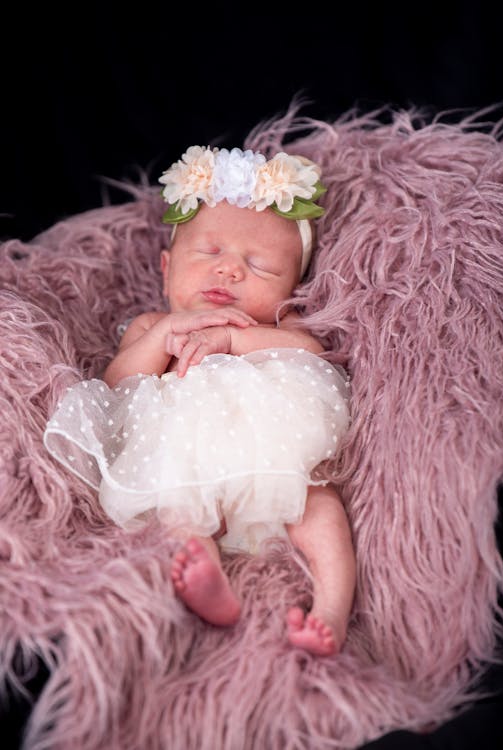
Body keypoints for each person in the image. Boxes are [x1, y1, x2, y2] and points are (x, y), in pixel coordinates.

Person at [44, 146, 356, 656]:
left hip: (271, 460)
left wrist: (237, 340)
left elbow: (312, 354)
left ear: (290, 291)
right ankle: (211, 583)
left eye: (259, 266)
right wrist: (163, 336)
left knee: (321, 508)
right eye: (210, 253)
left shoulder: (275, 326)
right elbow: (117, 385)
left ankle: (332, 610)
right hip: (184, 462)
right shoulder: (150, 326)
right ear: (167, 269)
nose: (229, 271)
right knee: (180, 521)